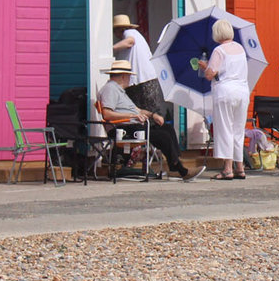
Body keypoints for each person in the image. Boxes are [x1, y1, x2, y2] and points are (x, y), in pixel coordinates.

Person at [97, 60, 202, 181]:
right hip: (124, 129)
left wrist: (153, 115)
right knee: (163, 136)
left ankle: (175, 165)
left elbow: (138, 110)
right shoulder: (110, 89)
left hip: (134, 126)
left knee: (167, 128)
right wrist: (132, 116)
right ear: (123, 76)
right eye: (129, 76)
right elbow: (107, 114)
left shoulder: (120, 91)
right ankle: (181, 170)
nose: (130, 79)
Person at [202, 19, 250, 180]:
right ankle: (240, 167)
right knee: (238, 129)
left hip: (225, 90)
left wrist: (205, 66)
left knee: (225, 129)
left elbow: (210, 74)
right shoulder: (240, 48)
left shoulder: (219, 51)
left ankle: (227, 168)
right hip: (242, 90)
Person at [112, 14, 157, 82]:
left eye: (114, 31)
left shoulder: (129, 32)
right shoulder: (136, 35)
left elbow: (130, 41)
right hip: (148, 78)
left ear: (119, 29)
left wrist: (112, 49)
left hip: (142, 80)